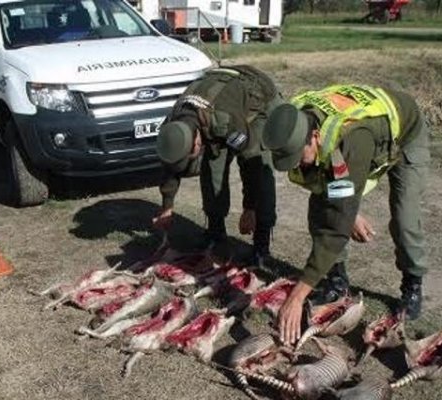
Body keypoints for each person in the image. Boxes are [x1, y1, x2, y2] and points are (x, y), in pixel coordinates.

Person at [261, 84, 429, 345]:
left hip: (405, 132)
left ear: (315, 136)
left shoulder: (351, 140)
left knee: (404, 217)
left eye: (298, 156)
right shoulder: (292, 118)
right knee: (321, 207)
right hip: (356, 141)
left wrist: (297, 296)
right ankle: (337, 281)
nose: (295, 165)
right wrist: (349, 210)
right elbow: (330, 193)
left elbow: (336, 229)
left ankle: (413, 283)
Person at [153, 65, 283, 263]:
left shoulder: (226, 121)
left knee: (260, 164)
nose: (190, 161)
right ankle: (215, 233)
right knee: (212, 167)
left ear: (197, 141)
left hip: (259, 102)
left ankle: (261, 245)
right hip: (218, 105)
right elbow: (171, 162)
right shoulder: (174, 122)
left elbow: (252, 164)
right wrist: (167, 206)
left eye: (191, 155)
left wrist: (250, 208)